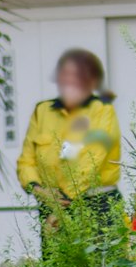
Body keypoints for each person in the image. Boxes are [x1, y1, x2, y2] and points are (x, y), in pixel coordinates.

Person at [14, 48, 121, 224]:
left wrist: (64, 203)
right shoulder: (42, 111)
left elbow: (92, 159)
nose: (70, 80)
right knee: (54, 253)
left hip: (97, 205)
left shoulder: (102, 110)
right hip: (50, 203)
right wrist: (38, 190)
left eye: (78, 75)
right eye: (66, 74)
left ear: (92, 80)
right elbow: (26, 161)